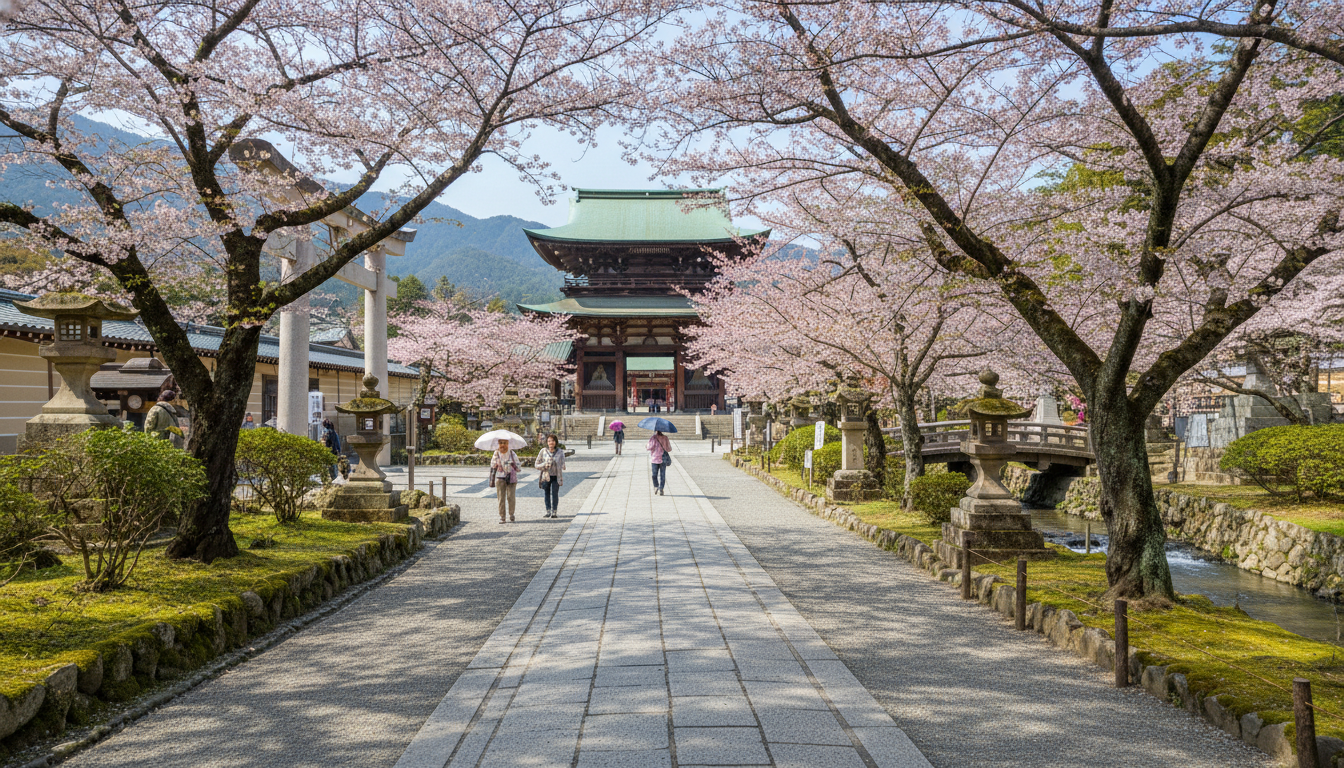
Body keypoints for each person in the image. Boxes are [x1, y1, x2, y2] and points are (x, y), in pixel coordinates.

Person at [490, 438, 521, 524]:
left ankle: (511, 514)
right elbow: (492, 465)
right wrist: (496, 463)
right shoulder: (496, 453)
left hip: (511, 477)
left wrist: (512, 464)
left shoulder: (512, 453)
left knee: (511, 497)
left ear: (508, 444)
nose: (502, 445)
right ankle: (502, 516)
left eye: (505, 443)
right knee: (501, 498)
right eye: (501, 443)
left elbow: (519, 467)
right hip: (500, 478)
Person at [535, 433, 566, 519]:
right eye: (549, 441)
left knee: (555, 493)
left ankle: (554, 511)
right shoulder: (543, 451)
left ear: (555, 442)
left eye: (552, 441)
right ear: (547, 442)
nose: (551, 443)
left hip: (556, 476)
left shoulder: (560, 452)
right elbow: (536, 464)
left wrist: (560, 464)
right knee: (547, 493)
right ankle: (548, 510)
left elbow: (563, 463)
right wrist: (545, 464)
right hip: (546, 475)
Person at [646, 430, 671, 495]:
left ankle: (657, 486)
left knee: (654, 475)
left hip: (655, 458)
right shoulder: (665, 438)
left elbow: (649, 447)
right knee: (662, 475)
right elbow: (669, 449)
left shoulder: (653, 438)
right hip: (663, 458)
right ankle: (661, 488)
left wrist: (646, 445)